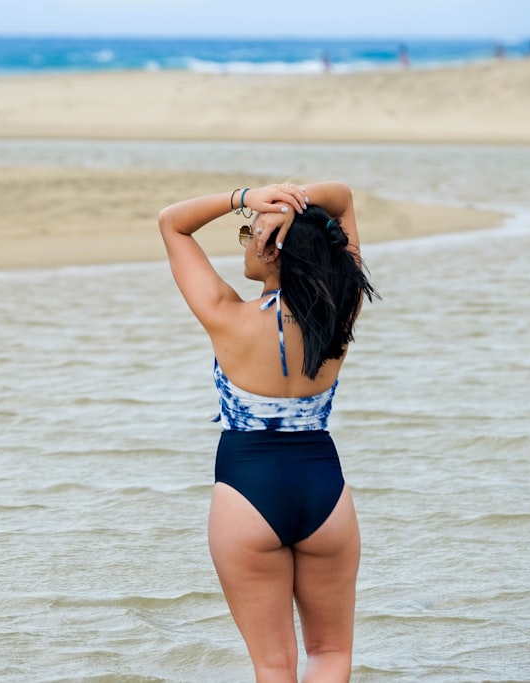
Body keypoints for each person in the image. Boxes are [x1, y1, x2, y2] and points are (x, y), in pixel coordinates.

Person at [158, 182, 378, 681]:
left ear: (270, 248)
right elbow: (341, 197)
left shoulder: (226, 317)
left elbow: (172, 221)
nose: (245, 241)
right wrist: (292, 203)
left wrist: (247, 197)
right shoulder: (339, 313)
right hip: (325, 493)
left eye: (248, 234)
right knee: (330, 652)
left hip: (247, 492)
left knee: (274, 665)